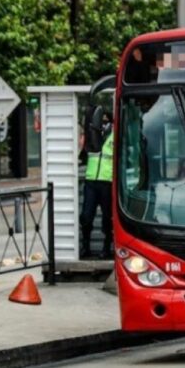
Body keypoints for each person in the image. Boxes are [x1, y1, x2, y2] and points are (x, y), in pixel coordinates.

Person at [80, 111, 113, 259]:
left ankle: (106, 248)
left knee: (108, 218)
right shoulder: (93, 135)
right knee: (86, 217)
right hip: (91, 181)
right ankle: (85, 247)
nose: (104, 123)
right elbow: (82, 155)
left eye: (107, 121)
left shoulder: (115, 135)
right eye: (102, 121)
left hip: (107, 182)